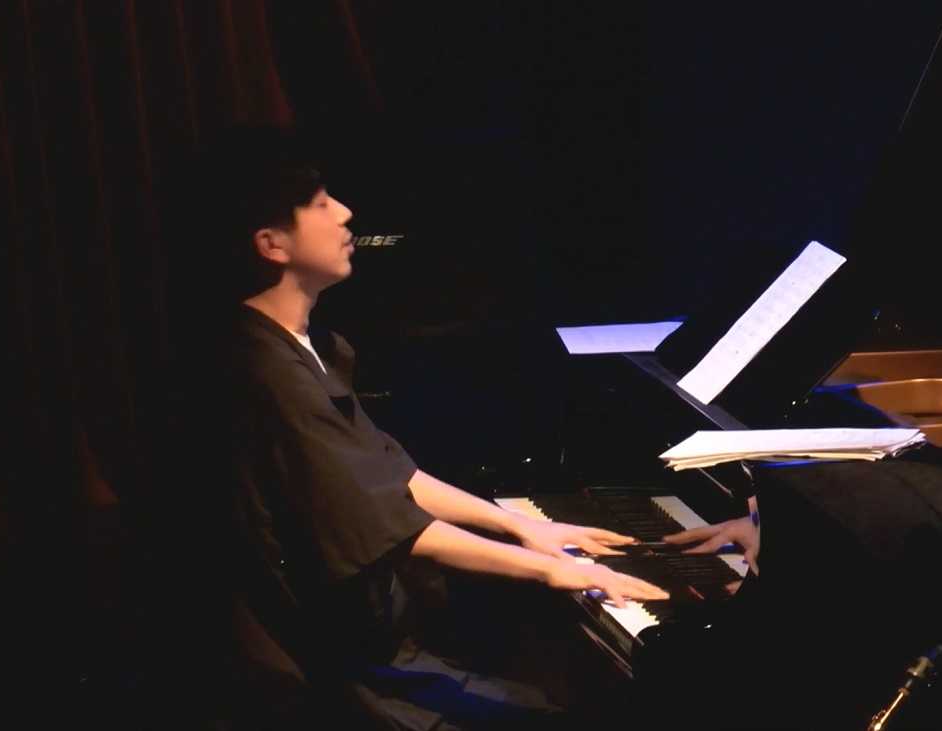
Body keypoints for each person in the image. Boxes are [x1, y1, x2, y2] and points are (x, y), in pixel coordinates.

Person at [187, 126, 669, 730]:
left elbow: (395, 476)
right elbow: (381, 527)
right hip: (330, 669)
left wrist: (522, 526)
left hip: (371, 643)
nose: (346, 213)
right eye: (321, 203)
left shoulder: (306, 346)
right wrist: (553, 569)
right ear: (271, 244)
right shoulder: (267, 371)